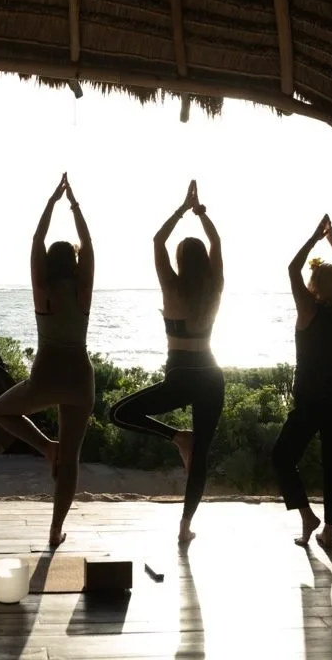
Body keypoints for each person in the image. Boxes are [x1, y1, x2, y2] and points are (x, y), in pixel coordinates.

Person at [109, 180, 224, 544]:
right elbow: (217, 244)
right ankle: (184, 526)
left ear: (179, 261)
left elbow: (158, 241)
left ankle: (177, 438)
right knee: (200, 456)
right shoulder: (215, 285)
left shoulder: (171, 287)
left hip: (181, 377)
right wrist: (201, 214)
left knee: (118, 413)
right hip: (209, 375)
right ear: (204, 261)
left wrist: (181, 209)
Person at [0, 173, 96, 549]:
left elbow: (37, 242)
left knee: (0, 411)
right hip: (80, 378)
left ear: (50, 266)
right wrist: (74, 205)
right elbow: (90, 246)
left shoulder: (43, 291)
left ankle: (44, 445)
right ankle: (55, 530)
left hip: (47, 375)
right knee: (71, 460)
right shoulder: (83, 293)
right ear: (76, 264)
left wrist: (52, 202)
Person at [272, 213, 332, 550]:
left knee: (282, 457)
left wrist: (313, 237)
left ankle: (308, 516)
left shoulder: (309, 310)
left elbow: (293, 269)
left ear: (315, 287)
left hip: (311, 399)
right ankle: (329, 533)